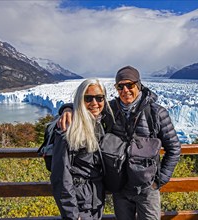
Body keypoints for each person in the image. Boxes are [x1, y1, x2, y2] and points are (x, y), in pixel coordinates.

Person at [59, 66, 181, 220]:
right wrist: (68, 109)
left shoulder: (156, 113)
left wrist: (159, 180)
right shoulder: (110, 110)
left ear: (139, 85)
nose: (125, 90)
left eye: (130, 85)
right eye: (120, 86)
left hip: (147, 188)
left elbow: (174, 148)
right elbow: (89, 107)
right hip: (120, 186)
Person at [50, 78, 114, 220]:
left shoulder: (100, 123)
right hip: (79, 206)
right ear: (80, 99)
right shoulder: (68, 130)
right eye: (88, 98)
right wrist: (72, 215)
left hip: (95, 201)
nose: (94, 103)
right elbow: (61, 177)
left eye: (99, 98)